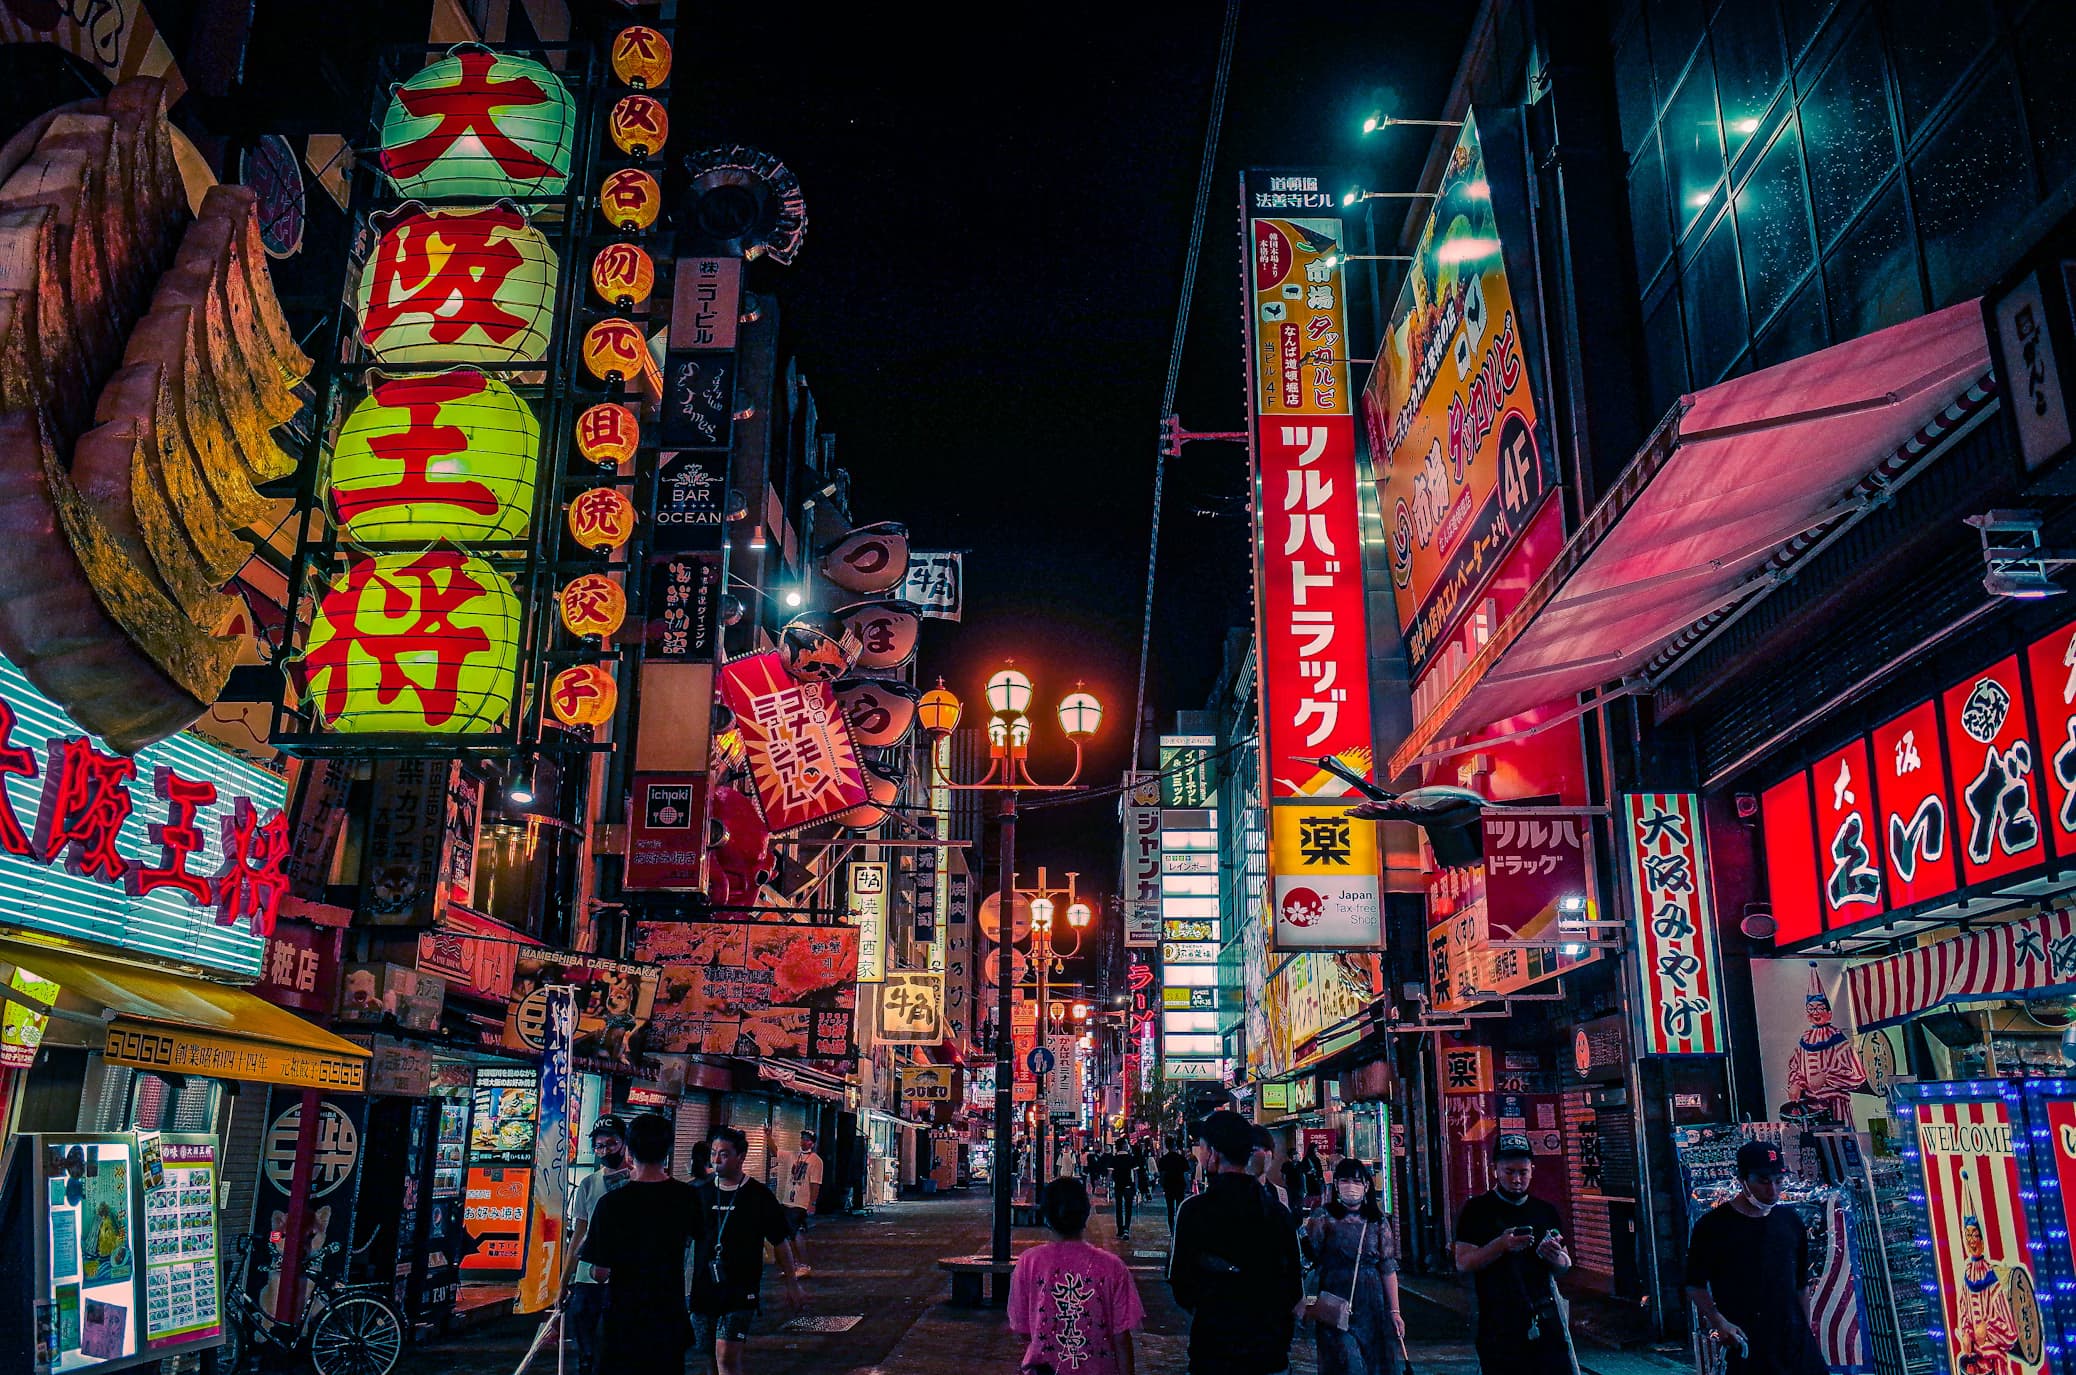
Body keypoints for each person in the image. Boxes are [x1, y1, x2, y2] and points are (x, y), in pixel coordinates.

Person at [1168, 1111, 1303, 1375]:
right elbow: (1293, 1287)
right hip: (1268, 1352)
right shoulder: (1278, 1212)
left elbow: (1181, 1286)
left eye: (1203, 1148)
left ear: (1214, 1154)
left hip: (1213, 1350)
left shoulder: (1194, 1211)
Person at [575, 1113, 707, 1375]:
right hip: (669, 1315)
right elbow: (697, 1244)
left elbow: (599, 1273)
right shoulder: (687, 1197)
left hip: (623, 1319)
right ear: (668, 1150)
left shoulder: (611, 1204)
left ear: (630, 1149)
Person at [1684, 1140, 1826, 1375]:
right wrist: (1719, 1321)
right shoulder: (1713, 1226)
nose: (1772, 1190)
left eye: (1779, 1181)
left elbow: (1801, 1284)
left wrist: (1805, 1328)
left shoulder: (1790, 1221)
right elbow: (1694, 1284)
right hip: (1747, 1340)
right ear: (1743, 1180)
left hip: (1794, 1340)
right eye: (1763, 1181)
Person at [1453, 1135, 1577, 1375]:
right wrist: (1501, 1245)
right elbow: (1463, 1262)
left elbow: (1564, 1265)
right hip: (1497, 1321)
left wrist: (1554, 1257)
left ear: (1532, 1170)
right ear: (1495, 1170)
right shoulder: (1476, 1210)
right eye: (1509, 1172)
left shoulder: (1545, 1211)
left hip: (1545, 1318)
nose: (1517, 1179)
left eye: (1523, 1172)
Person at [693, 1126, 807, 1375]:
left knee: (726, 1357)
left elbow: (780, 1241)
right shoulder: (700, 1194)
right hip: (703, 1289)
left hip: (740, 1289)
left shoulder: (758, 1196)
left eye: (723, 1154)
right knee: (710, 1357)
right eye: (713, 1153)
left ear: (741, 1156)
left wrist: (792, 1283)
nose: (716, 1160)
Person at [1011, 1177, 1146, 1375]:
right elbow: (1121, 1335)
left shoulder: (1028, 1262)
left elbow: (1022, 1329)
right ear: (1086, 1213)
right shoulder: (1112, 1267)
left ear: (1046, 1216)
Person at [1305, 1160, 1406, 1375]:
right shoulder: (1322, 1217)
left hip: (1371, 1302)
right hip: (1334, 1300)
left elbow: (1387, 1268)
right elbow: (1310, 1255)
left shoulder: (1377, 1222)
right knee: (1344, 1361)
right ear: (1336, 1185)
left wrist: (1395, 1311)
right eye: (1345, 1181)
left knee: (1373, 1362)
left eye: (1356, 1181)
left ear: (1366, 1186)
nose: (1351, 1186)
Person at [564, 1116, 633, 1375]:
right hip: (587, 1278)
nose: (604, 1151)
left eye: (611, 1143)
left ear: (625, 1144)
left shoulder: (637, 1182)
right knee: (586, 1352)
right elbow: (578, 1236)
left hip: (622, 1280)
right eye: (599, 1146)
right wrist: (564, 1281)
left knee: (615, 1351)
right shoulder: (588, 1184)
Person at [771, 1129, 824, 1275]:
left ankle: (804, 1265)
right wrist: (768, 1136)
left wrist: (812, 1204)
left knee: (795, 1232)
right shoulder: (793, 1155)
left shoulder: (816, 1161)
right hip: (787, 1200)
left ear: (812, 1143)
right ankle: (793, 1264)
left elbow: (815, 1184)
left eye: (807, 1139)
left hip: (801, 1202)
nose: (803, 1141)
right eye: (802, 1138)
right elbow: (775, 1152)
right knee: (787, 1234)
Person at [1249, 1126, 1291, 1210]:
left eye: (1267, 1150)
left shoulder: (1280, 1193)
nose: (1266, 1154)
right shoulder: (1232, 1193)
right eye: (1254, 1150)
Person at [1109, 1139, 1138, 1240]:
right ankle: (1126, 1229)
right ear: (1124, 1146)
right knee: (1128, 1207)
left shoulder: (1114, 1158)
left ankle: (1120, 1229)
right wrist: (1136, 1187)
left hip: (1118, 1185)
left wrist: (1108, 1187)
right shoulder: (1130, 1158)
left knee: (1119, 1207)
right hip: (1128, 1185)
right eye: (1126, 1144)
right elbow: (1135, 1173)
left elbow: (1110, 1174)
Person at [1158, 1142, 1190, 1227]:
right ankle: (1178, 1227)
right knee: (1179, 1208)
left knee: (1170, 1210)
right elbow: (1186, 1173)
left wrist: (1162, 1185)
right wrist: (1187, 1186)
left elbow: (1162, 1174)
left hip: (1168, 1186)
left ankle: (1172, 1230)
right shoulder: (1181, 1158)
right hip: (1180, 1185)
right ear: (1175, 1146)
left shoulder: (1164, 1159)